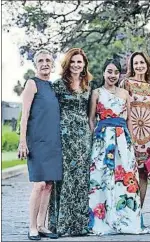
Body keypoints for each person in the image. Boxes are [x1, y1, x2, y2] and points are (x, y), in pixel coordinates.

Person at [88, 58, 150, 235]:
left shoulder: (125, 94)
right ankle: (102, 220)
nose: (112, 75)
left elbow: (130, 119)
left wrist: (131, 141)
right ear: (103, 73)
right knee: (102, 178)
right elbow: (91, 119)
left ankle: (126, 220)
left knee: (125, 177)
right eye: (109, 72)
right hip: (103, 141)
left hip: (122, 140)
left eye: (116, 72)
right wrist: (97, 138)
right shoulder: (96, 93)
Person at [48, 48, 93, 236]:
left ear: (84, 65)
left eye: (79, 62)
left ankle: (80, 225)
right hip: (63, 135)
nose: (76, 65)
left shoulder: (88, 85)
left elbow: (90, 114)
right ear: (68, 64)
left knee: (81, 179)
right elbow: (50, 111)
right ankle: (61, 225)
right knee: (64, 178)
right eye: (73, 61)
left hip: (82, 136)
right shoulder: (57, 85)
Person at [18, 49, 62, 240]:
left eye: (48, 60)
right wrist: (22, 142)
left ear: (52, 64)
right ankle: (32, 226)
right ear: (36, 64)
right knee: (39, 184)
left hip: (53, 142)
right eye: (41, 60)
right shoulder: (32, 84)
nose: (45, 63)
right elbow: (24, 115)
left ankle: (43, 225)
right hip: (36, 142)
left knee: (49, 185)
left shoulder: (52, 87)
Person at [119, 52, 150, 212]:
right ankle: (126, 214)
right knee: (129, 173)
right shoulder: (126, 83)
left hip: (149, 138)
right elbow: (120, 109)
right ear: (131, 66)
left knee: (144, 174)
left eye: (142, 63)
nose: (139, 66)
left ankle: (138, 215)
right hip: (131, 135)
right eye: (136, 63)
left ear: (147, 65)